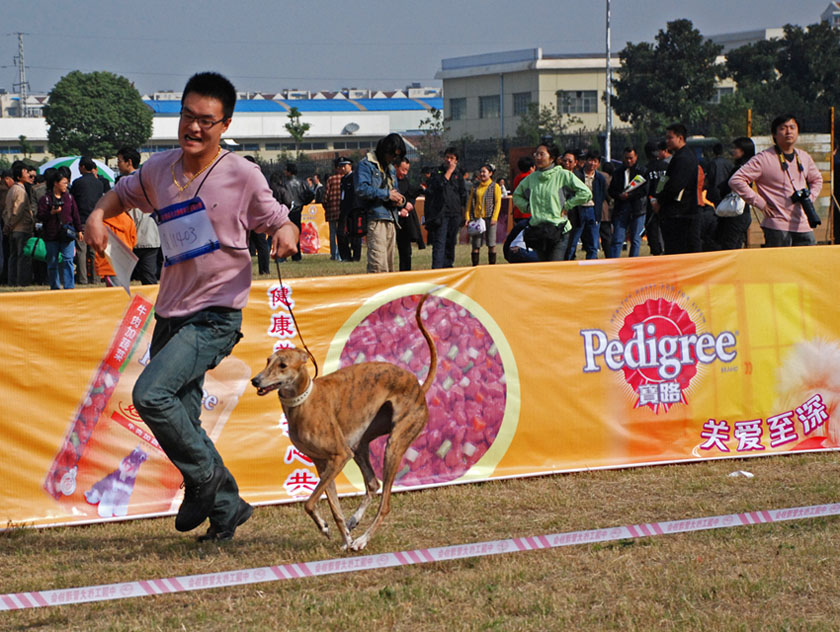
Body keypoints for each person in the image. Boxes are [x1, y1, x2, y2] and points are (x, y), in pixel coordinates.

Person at [84, 71, 299, 541]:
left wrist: (286, 233)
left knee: (150, 395)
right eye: (187, 116)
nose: (194, 128)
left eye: (206, 120)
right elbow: (121, 192)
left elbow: (279, 221)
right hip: (171, 310)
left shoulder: (242, 174)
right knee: (183, 414)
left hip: (216, 314)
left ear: (224, 124)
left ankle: (201, 481)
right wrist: (98, 214)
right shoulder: (159, 170)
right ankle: (227, 509)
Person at [729, 114, 823, 248]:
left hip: (804, 224)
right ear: (774, 134)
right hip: (777, 225)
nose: (788, 131)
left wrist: (810, 198)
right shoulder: (763, 158)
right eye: (783, 128)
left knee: (807, 266)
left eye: (792, 127)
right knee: (780, 267)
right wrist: (760, 203)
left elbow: (817, 179)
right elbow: (736, 180)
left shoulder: (804, 157)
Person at [512, 142, 592, 261]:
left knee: (554, 267)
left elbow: (586, 193)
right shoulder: (531, 178)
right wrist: (529, 207)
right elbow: (517, 196)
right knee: (543, 269)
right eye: (536, 154)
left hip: (559, 231)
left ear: (552, 158)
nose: (537, 157)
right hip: (538, 231)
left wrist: (567, 205)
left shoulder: (563, 175)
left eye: (541, 154)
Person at [354, 132, 406, 273]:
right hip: (375, 218)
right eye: (392, 155)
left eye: (397, 156)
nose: (394, 159)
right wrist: (387, 194)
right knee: (378, 265)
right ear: (384, 151)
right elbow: (361, 189)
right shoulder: (366, 165)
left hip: (391, 218)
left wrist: (399, 200)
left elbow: (395, 191)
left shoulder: (390, 169)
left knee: (389, 266)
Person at [650, 124, 700, 254]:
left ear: (680, 138)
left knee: (678, 250)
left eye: (670, 137)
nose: (667, 141)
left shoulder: (684, 158)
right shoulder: (678, 157)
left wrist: (660, 201)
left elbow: (675, 186)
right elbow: (665, 180)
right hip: (676, 213)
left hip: (681, 214)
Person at [118, 147, 162, 285]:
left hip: (138, 236)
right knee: (147, 277)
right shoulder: (148, 179)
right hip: (149, 235)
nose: (118, 164)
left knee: (134, 278)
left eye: (119, 161)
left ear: (128, 162)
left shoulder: (130, 183)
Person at [36, 171, 82, 290]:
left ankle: (69, 287)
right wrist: (50, 213)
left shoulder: (69, 198)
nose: (66, 185)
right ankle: (54, 286)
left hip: (67, 234)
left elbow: (75, 214)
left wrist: (79, 230)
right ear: (56, 183)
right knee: (52, 262)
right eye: (64, 183)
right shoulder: (45, 199)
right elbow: (40, 216)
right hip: (51, 235)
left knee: (68, 260)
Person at [425, 147, 466, 269]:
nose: (449, 160)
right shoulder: (437, 172)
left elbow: (463, 194)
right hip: (441, 214)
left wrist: (464, 214)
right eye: (447, 157)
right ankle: (437, 270)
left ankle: (448, 268)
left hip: (454, 214)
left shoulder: (458, 175)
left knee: (450, 243)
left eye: (452, 158)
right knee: (439, 244)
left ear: (456, 160)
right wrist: (448, 172)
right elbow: (438, 186)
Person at [608, 147, 649, 258]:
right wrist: (619, 195)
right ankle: (614, 262)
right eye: (626, 158)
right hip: (621, 209)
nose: (629, 161)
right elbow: (611, 190)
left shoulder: (643, 171)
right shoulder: (618, 172)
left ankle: (633, 264)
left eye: (631, 158)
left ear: (636, 157)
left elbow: (644, 190)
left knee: (636, 239)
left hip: (638, 209)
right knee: (617, 239)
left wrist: (630, 195)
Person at [71, 156, 105, 284]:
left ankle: (82, 279)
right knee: (94, 251)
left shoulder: (78, 183)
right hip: (96, 221)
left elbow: (74, 202)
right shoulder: (99, 183)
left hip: (82, 220)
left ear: (83, 167)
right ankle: (96, 279)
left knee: (81, 251)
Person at [567, 150, 605, 260]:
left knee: (593, 243)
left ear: (598, 164)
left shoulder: (600, 178)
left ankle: (591, 265)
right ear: (585, 161)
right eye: (590, 160)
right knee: (573, 241)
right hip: (579, 210)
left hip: (592, 210)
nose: (592, 163)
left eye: (595, 161)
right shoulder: (577, 175)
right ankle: (568, 263)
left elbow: (601, 195)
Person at [3, 161, 35, 286]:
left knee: (13, 256)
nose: (28, 175)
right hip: (21, 228)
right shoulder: (20, 191)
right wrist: (11, 224)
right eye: (26, 173)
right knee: (22, 257)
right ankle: (22, 282)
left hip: (12, 228)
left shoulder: (12, 190)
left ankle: (12, 281)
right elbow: (18, 211)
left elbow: (6, 211)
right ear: (19, 176)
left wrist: (7, 225)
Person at [465, 162, 502, 266]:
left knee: (491, 243)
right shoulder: (475, 187)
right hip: (477, 218)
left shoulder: (495, 186)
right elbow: (470, 202)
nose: (482, 174)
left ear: (490, 173)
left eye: (484, 172)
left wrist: (495, 217)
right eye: (481, 172)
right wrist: (468, 217)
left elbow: (498, 203)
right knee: (475, 244)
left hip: (490, 218)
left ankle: (492, 265)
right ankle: (475, 265)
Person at [394, 157, 425, 271]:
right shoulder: (390, 182)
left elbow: (412, 194)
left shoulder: (406, 181)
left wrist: (409, 206)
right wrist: (401, 207)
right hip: (393, 217)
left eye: (407, 170)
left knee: (406, 249)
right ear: (396, 167)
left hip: (405, 219)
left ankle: (405, 271)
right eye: (403, 170)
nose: (405, 173)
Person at [643, 141, 668, 256]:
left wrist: (653, 199)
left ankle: (657, 253)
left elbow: (644, 189)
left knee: (653, 233)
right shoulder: (666, 166)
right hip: (665, 203)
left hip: (651, 205)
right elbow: (665, 184)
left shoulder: (645, 169)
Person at [338, 158, 362, 262]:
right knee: (341, 233)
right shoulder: (343, 179)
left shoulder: (355, 177)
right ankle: (345, 256)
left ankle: (356, 256)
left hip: (354, 209)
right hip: (344, 209)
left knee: (355, 234)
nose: (343, 168)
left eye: (345, 166)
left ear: (350, 166)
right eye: (341, 166)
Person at [323, 158, 344, 261]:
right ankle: (341, 254)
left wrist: (326, 207)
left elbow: (325, 197)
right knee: (342, 233)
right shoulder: (346, 178)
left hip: (332, 210)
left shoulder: (331, 179)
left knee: (332, 234)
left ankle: (333, 255)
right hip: (343, 211)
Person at [511, 156, 534, 224]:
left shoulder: (516, 178)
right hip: (528, 213)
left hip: (518, 211)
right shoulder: (529, 179)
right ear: (531, 168)